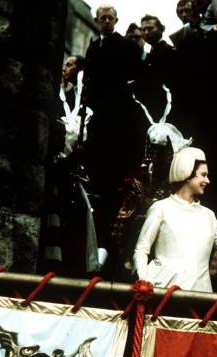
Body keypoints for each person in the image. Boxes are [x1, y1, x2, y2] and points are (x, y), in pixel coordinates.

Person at [134, 147, 217, 291]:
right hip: (163, 291)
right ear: (187, 174)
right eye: (203, 175)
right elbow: (141, 249)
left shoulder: (208, 215)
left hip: (200, 295)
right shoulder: (161, 208)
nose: (207, 180)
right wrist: (144, 281)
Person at [84, 5, 147, 275]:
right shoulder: (93, 47)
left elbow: (137, 73)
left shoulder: (124, 46)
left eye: (110, 18)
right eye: (102, 19)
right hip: (98, 117)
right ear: (97, 21)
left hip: (117, 117)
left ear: (116, 21)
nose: (106, 22)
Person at [136, 15, 175, 122]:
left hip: (165, 110)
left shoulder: (169, 52)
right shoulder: (149, 56)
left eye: (150, 28)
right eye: (143, 30)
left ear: (161, 29)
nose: (146, 32)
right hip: (151, 109)